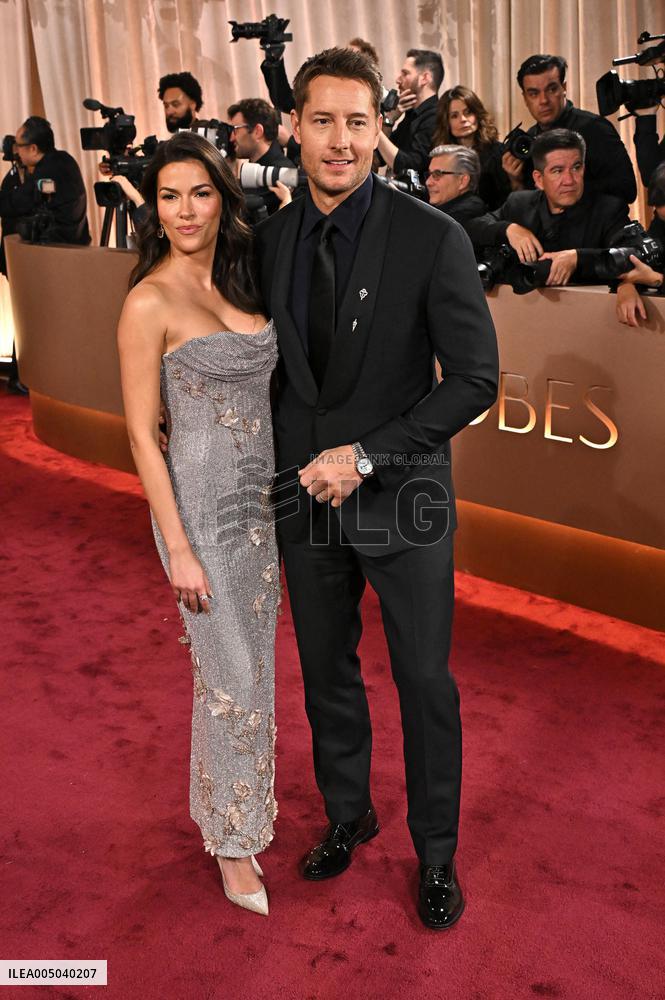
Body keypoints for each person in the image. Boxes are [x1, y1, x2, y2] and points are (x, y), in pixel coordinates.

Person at [254, 47, 498, 929]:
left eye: (358, 122)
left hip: (403, 499)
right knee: (326, 675)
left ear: (379, 131)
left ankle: (436, 853)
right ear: (295, 126)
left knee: (424, 683)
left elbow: (473, 378)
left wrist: (365, 456)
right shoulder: (273, 235)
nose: (339, 139)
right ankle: (347, 813)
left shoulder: (431, 236)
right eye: (322, 120)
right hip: (299, 501)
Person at [117, 131, 278, 916]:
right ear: (154, 207)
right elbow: (142, 434)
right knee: (229, 677)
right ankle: (231, 842)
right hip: (200, 521)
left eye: (200, 193)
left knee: (258, 673)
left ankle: (243, 810)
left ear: (224, 198)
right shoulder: (148, 299)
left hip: (261, 512)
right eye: (169, 196)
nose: (185, 210)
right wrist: (176, 547)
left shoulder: (246, 277)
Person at [466, 129, 630, 286]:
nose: (569, 180)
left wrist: (577, 258)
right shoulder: (519, 203)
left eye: (576, 168)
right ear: (538, 179)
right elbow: (471, 228)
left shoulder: (608, 209)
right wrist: (508, 229)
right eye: (557, 171)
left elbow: (633, 254)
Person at [502, 54, 636, 209]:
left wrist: (568, 189)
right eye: (534, 93)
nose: (543, 100)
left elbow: (627, 189)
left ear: (563, 88)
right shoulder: (529, 139)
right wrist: (516, 181)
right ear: (525, 98)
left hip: (598, 229)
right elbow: (532, 208)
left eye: (551, 89)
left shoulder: (595, 128)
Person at [0, 116, 90, 246]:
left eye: (18, 145)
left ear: (33, 149)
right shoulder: (65, 159)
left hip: (56, 251)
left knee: (13, 222)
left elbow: (15, 203)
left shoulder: (47, 173)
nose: (16, 151)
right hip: (76, 243)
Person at [433, 86, 511, 210]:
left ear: (477, 114)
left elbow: (505, 199)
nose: (463, 119)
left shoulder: (498, 152)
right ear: (446, 122)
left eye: (468, 112)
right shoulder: (441, 158)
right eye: (454, 116)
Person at [377, 48, 443, 181]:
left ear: (425, 78)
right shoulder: (411, 115)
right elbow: (380, 158)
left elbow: (409, 166)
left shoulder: (435, 116)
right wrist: (389, 120)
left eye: (405, 73)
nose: (398, 80)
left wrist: (374, 127)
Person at [615, 162, 665, 326]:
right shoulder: (659, 223)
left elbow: (653, 276)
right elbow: (645, 262)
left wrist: (657, 279)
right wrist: (626, 285)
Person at [227, 98, 295, 215]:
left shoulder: (282, 174)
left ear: (258, 131)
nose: (231, 138)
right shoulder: (251, 171)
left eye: (235, 130)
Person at [425, 145, 487, 225]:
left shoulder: (466, 212)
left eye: (437, 174)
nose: (428, 182)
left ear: (462, 181)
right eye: (429, 174)